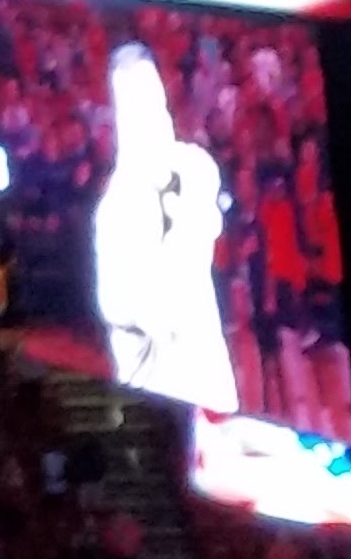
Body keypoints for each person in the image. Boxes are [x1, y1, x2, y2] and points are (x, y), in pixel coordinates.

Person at [87, 42, 238, 415]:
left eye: (155, 101)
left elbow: (213, 230)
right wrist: (185, 224)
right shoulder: (115, 212)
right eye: (136, 109)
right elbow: (142, 310)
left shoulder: (192, 167)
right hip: (159, 395)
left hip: (209, 377)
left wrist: (191, 208)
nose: (152, 119)